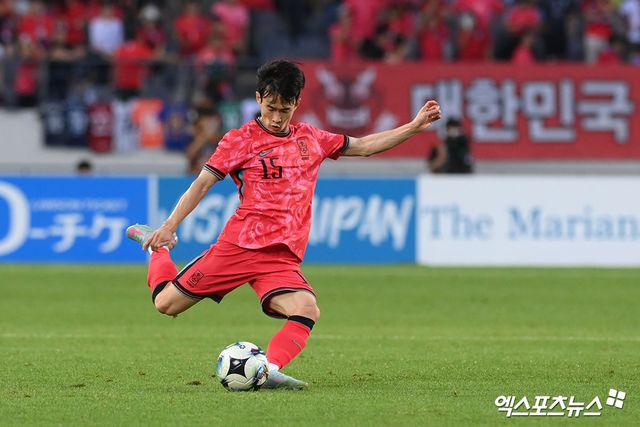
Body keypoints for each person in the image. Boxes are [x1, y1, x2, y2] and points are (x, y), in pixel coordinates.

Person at [126, 60, 441, 390]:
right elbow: (202, 183)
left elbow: (363, 146)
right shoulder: (240, 140)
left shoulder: (311, 138)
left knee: (307, 308)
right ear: (258, 98)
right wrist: (169, 225)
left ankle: (267, 370)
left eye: (285, 110)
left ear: (297, 103)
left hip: (281, 257)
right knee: (166, 304)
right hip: (239, 247)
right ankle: (158, 247)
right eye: (271, 108)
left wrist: (414, 126)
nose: (277, 118)